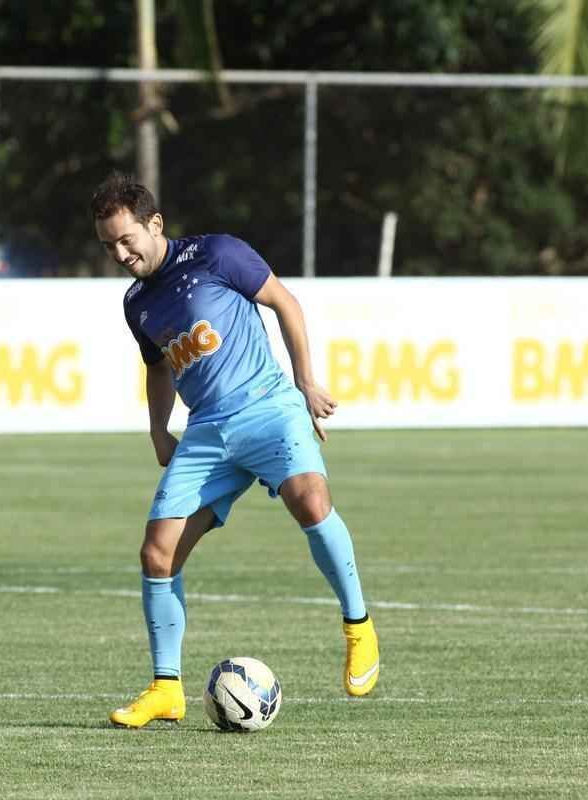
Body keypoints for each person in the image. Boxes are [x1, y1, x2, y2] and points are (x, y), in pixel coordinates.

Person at [90, 172, 379, 728]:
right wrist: (157, 429)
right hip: (208, 433)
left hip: (269, 407)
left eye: (127, 240)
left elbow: (285, 303)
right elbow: (157, 368)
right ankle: (166, 690)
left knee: (310, 502)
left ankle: (358, 627)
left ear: (155, 225)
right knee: (158, 554)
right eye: (108, 246)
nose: (120, 254)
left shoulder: (218, 254)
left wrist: (306, 382)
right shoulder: (136, 304)